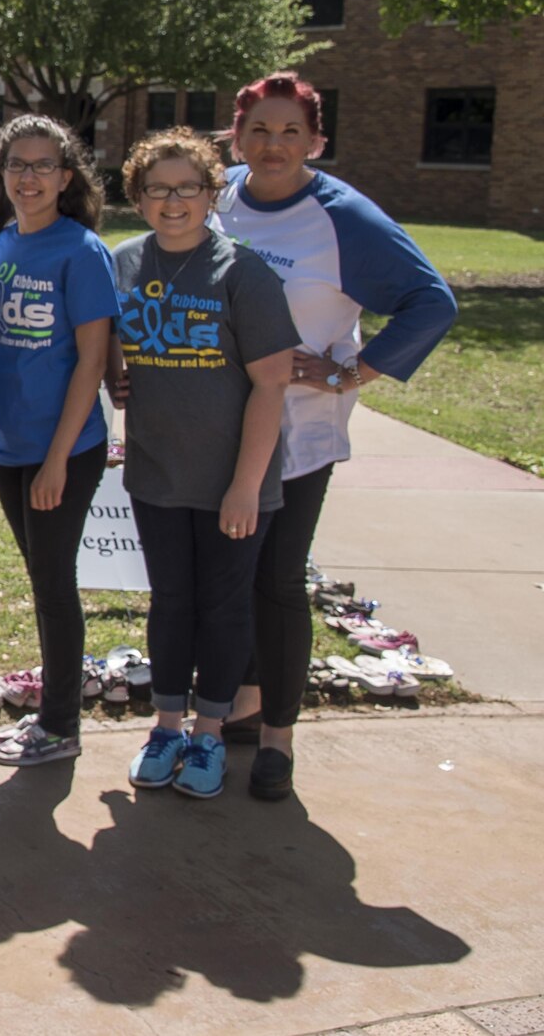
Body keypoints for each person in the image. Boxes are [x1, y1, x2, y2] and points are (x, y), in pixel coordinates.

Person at [213, 73, 456, 800]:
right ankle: (246, 706)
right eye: (259, 129)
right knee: (231, 579)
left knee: (278, 580)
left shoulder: (341, 217)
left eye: (291, 132)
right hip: (215, 428)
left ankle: (279, 741)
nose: (273, 145)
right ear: (237, 134)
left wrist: (349, 371)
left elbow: (430, 302)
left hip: (297, 435)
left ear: (316, 140)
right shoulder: (219, 195)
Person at [112, 129, 298, 800]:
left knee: (222, 608)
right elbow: (109, 342)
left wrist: (247, 485)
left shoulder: (242, 272)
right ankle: (166, 726)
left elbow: (272, 383)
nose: (173, 200)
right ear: (138, 195)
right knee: (171, 601)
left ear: (211, 193)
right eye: (158, 187)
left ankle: (211, 734)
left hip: (232, 483)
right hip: (158, 472)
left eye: (187, 187)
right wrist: (115, 379)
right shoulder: (124, 262)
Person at [0, 115, 115, 768]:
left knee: (54, 584)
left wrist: (57, 458)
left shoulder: (80, 252)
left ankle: (59, 725)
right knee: (40, 578)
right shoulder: (0, 244)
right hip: (11, 448)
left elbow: (91, 362)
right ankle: (51, 716)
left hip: (65, 449)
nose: (29, 178)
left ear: (66, 177)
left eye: (43, 166)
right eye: (17, 165)